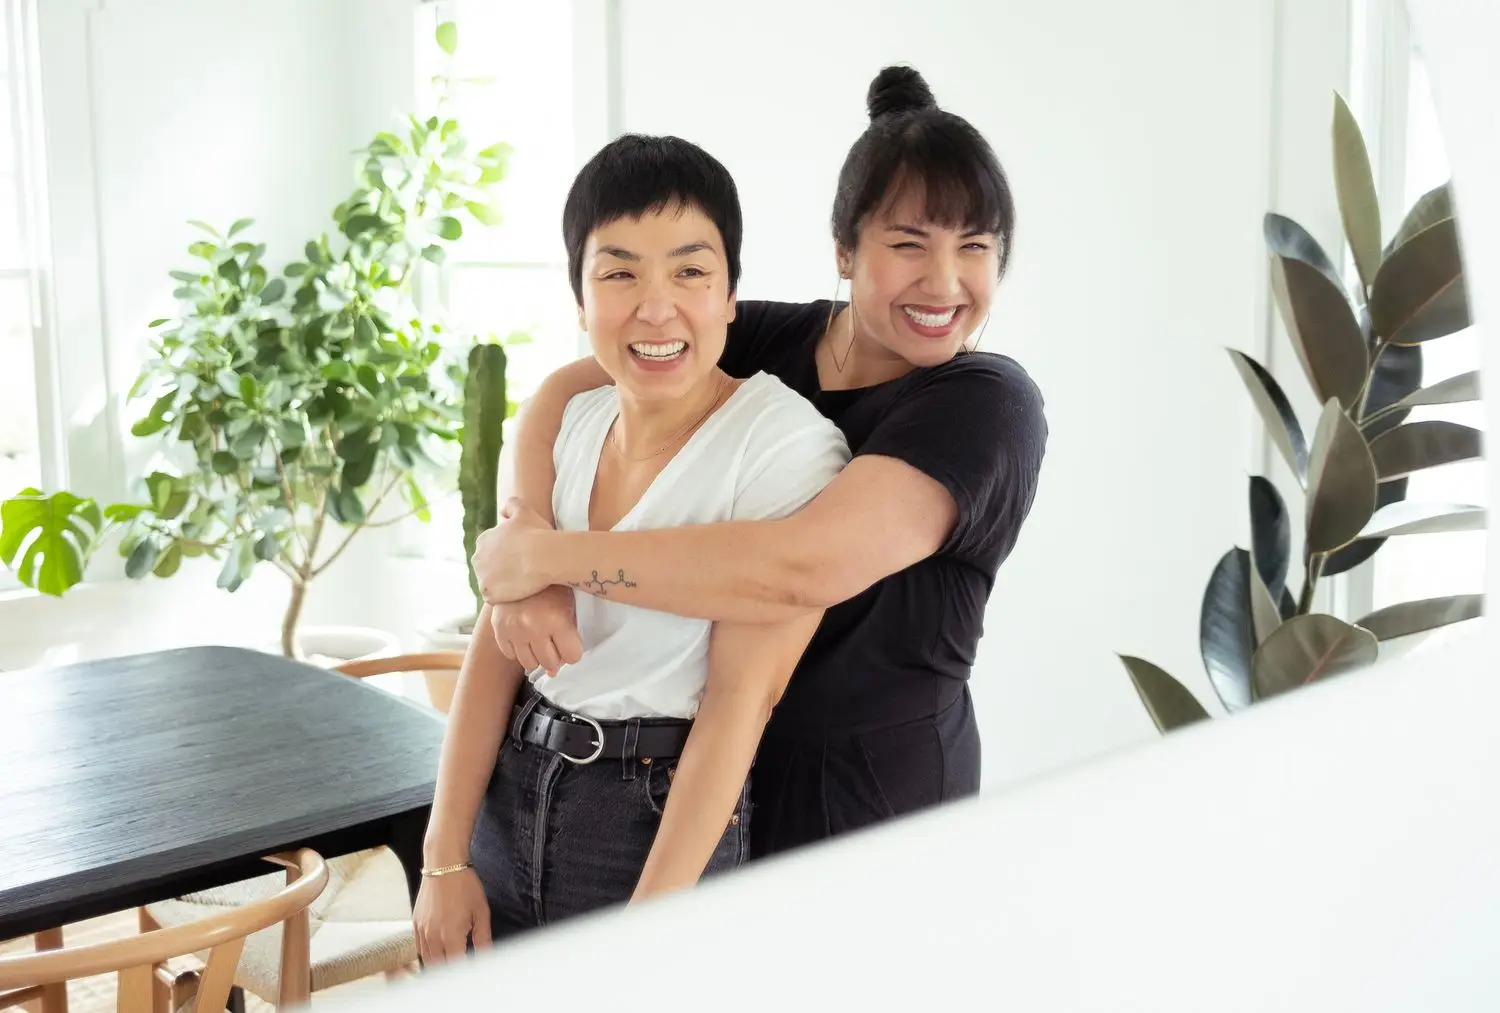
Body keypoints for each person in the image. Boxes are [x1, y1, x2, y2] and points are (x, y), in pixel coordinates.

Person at [473, 65, 1048, 859]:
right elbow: (566, 391)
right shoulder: (779, 340)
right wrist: (525, 545)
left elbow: (796, 567)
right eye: (908, 244)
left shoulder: (987, 406)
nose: (944, 282)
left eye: (975, 247)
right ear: (844, 250)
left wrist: (548, 559)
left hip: (873, 801)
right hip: (714, 773)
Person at [412, 134, 850, 964]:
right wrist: (445, 855)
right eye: (619, 274)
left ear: (730, 295)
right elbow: (496, 647)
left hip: (651, 817)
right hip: (513, 784)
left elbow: (741, 704)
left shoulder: (784, 446)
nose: (656, 308)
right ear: (579, 301)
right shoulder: (571, 422)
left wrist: (650, 929)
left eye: (690, 272)